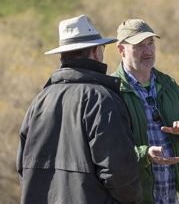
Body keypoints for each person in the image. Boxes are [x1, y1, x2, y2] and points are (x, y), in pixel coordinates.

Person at [16, 14, 143, 204]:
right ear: (95, 52)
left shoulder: (40, 100)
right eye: (102, 48)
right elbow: (120, 172)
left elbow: (23, 168)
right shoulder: (103, 100)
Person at [111, 19, 179, 204]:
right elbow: (109, 152)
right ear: (121, 50)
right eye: (139, 46)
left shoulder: (168, 84)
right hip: (135, 198)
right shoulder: (112, 91)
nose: (148, 51)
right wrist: (145, 155)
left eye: (150, 43)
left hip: (172, 196)